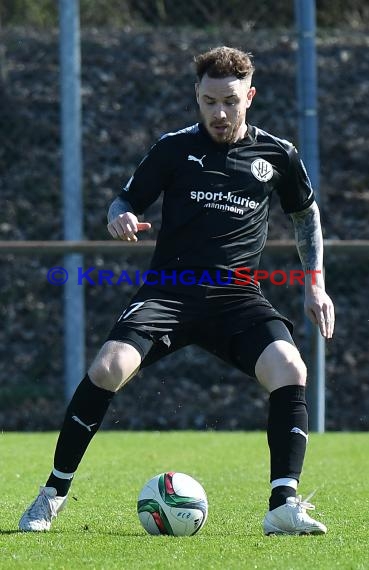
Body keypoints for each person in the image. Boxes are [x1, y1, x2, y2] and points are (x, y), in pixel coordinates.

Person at [19, 46, 334, 535]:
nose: (219, 113)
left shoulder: (277, 155)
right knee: (107, 368)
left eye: (230, 101)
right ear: (197, 96)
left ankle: (282, 505)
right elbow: (124, 199)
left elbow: (304, 213)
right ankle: (51, 495)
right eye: (209, 102)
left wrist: (315, 283)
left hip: (237, 296)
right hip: (171, 291)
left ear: (249, 96)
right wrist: (117, 217)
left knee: (289, 367)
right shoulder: (174, 148)